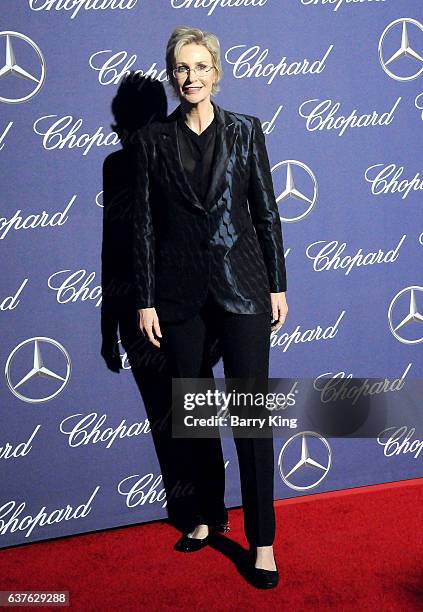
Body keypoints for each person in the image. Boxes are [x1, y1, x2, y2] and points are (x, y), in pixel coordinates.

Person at [132, 26, 288, 589]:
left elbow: (266, 212)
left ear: (217, 72)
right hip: (179, 296)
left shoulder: (246, 131)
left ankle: (263, 540)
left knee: (250, 415)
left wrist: (277, 284)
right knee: (194, 418)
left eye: (200, 67)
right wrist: (145, 299)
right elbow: (144, 228)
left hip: (243, 286)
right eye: (181, 69)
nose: (191, 77)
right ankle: (204, 516)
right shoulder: (151, 142)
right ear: (172, 76)